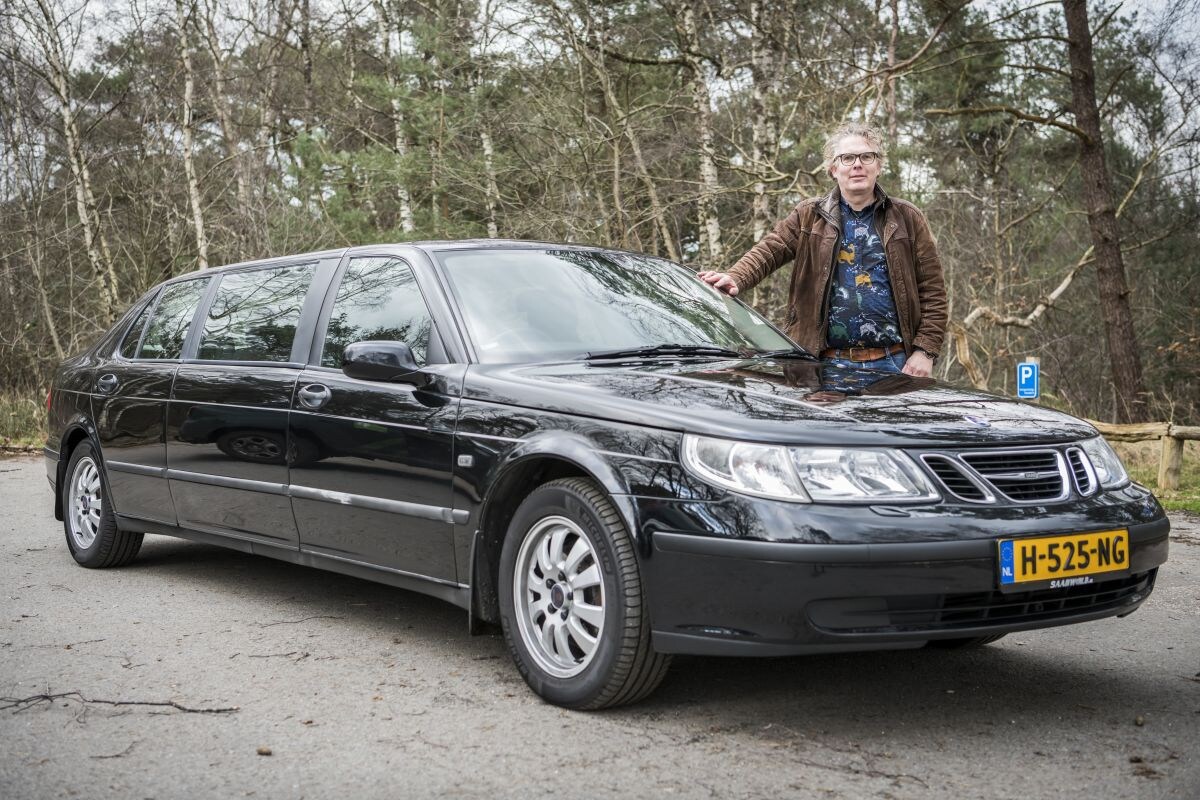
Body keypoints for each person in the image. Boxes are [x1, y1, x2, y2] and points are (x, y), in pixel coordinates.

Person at [698, 122, 946, 377]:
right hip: (824, 366)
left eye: (866, 156)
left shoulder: (907, 218)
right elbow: (769, 251)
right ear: (833, 169)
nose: (857, 164)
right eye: (847, 158)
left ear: (879, 166)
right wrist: (735, 277)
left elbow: (933, 292)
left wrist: (925, 351)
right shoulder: (809, 215)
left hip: (895, 363)